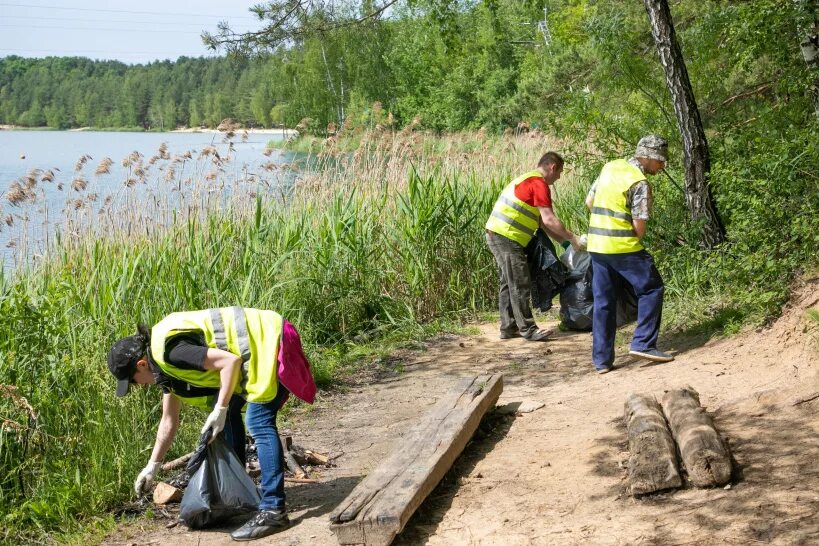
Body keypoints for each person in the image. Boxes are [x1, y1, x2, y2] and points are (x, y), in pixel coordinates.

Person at [107, 307, 316, 541]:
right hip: (258, 347)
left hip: (267, 340)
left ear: (142, 364)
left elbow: (230, 362)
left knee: (257, 420)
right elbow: (168, 420)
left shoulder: (172, 353)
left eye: (133, 381)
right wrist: (152, 466)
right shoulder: (164, 367)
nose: (139, 386)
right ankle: (237, 497)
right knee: (230, 418)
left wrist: (220, 409)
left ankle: (273, 510)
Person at [584, 135, 674, 374]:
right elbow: (639, 227)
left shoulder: (610, 167)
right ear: (649, 157)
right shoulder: (640, 181)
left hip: (597, 244)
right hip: (623, 246)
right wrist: (624, 233)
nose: (662, 167)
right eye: (661, 161)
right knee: (652, 288)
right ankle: (643, 343)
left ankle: (601, 361)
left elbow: (589, 201)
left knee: (604, 302)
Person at [485, 152, 584, 341]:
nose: (559, 178)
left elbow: (543, 224)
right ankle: (528, 329)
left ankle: (508, 328)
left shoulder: (528, 180)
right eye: (560, 172)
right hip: (506, 236)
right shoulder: (539, 183)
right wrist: (573, 237)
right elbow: (549, 219)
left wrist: (565, 243)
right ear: (552, 167)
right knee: (520, 282)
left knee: (509, 282)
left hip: (499, 234)